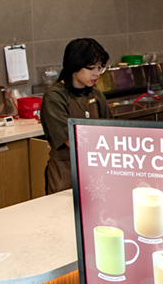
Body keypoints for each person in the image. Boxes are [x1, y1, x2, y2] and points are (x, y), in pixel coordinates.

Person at [41, 38, 114, 194]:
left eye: (100, 68)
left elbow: (111, 130)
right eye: (92, 68)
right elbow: (72, 140)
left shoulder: (95, 94)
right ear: (74, 66)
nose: (97, 74)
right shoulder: (55, 97)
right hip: (66, 174)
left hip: (96, 174)